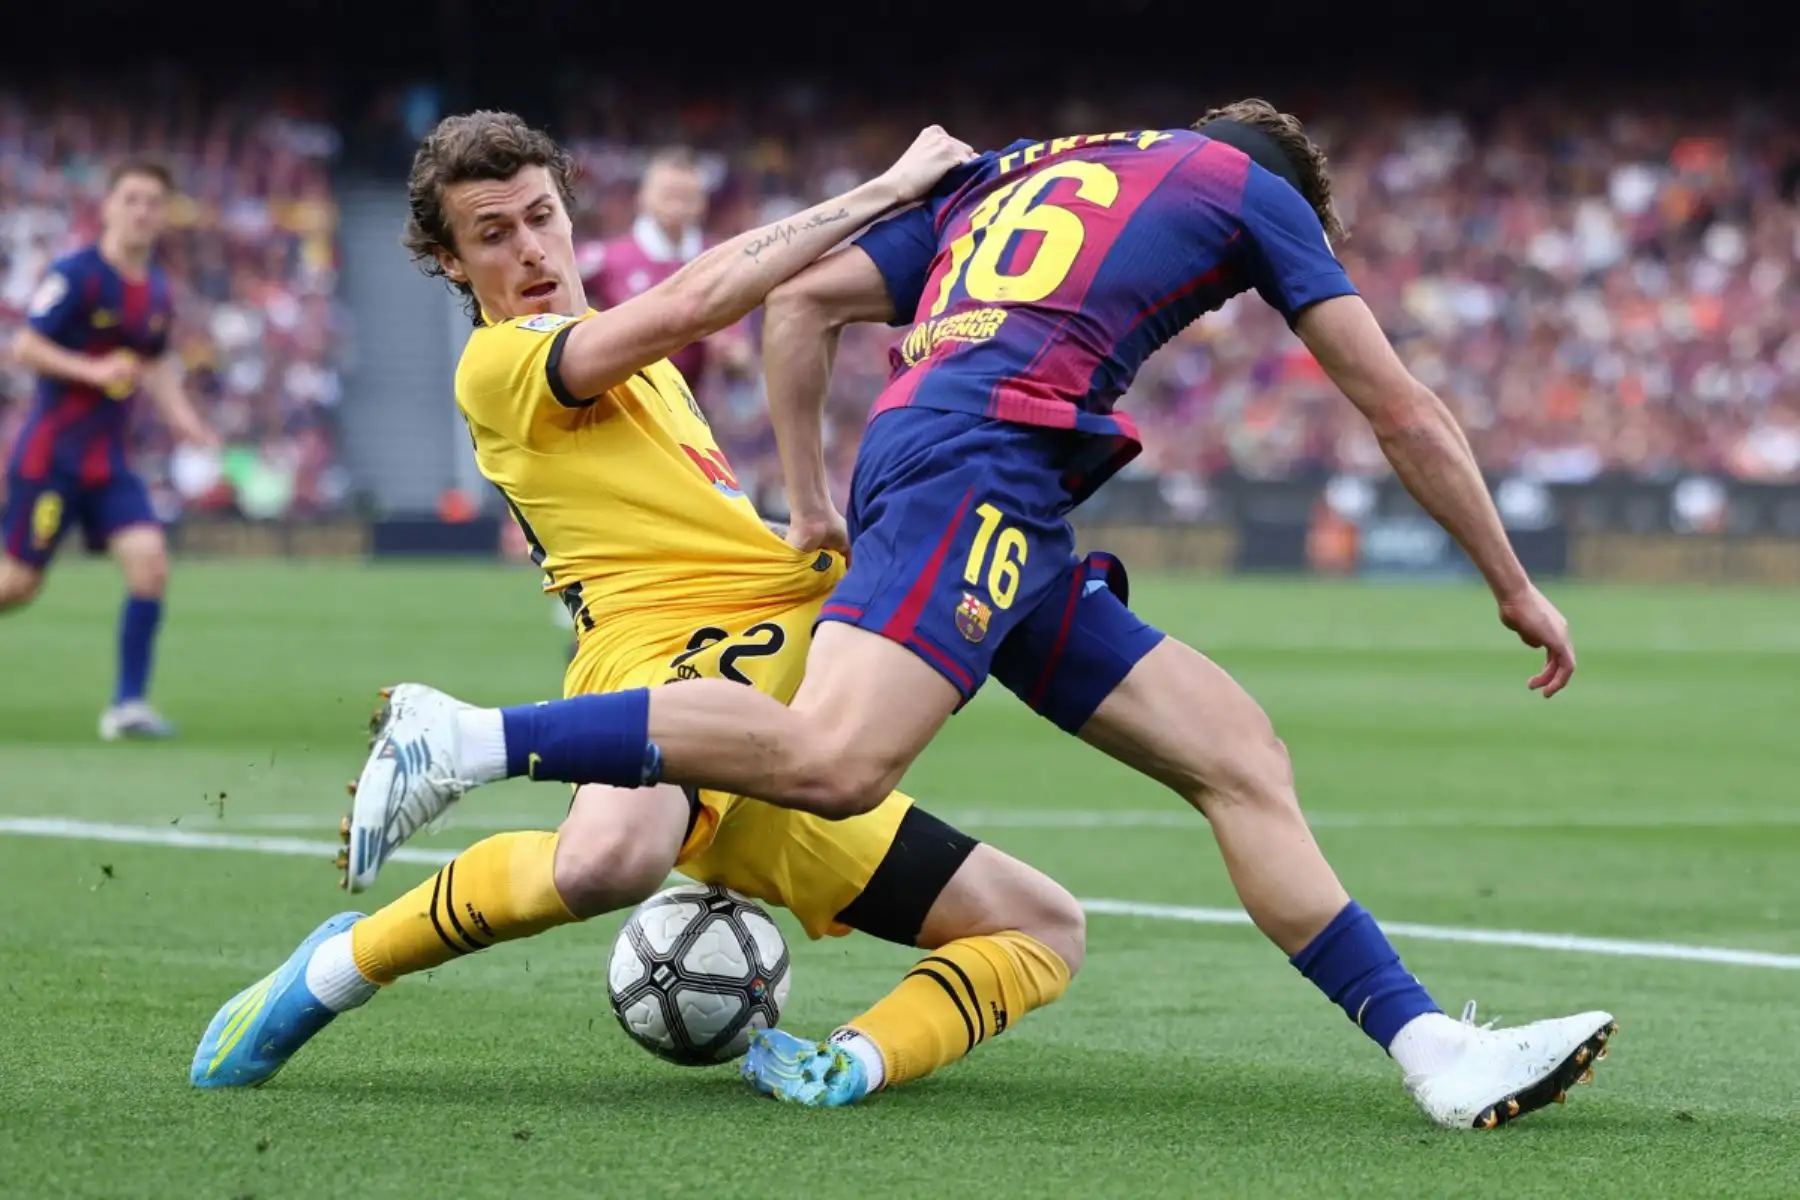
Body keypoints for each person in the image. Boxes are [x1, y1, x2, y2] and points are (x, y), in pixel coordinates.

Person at [354, 102, 1618, 1129]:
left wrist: (813, 499)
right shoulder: (1251, 188)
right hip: (983, 465)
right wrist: (1512, 584)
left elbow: (801, 306)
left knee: (1239, 754)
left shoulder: (1019, 168)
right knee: (839, 762)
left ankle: (1432, 1050)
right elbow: (1399, 408)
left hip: (979, 477)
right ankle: (467, 740)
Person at [190, 112, 1081, 1108]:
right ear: (450, 263)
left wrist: (801, 519)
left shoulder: (632, 365)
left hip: (773, 690)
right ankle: (339, 966)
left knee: (1042, 925)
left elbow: (684, 501)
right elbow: (692, 305)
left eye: (541, 217)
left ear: (569, 216)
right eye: (493, 234)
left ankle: (848, 1061)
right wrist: (887, 189)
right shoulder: (502, 364)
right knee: (612, 859)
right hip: (664, 656)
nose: (530, 249)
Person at [1, 160, 217, 740]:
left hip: (108, 464)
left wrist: (186, 421)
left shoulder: (157, 291)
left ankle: (128, 706)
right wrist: (92, 370)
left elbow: (154, 363)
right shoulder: (76, 275)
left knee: (150, 564)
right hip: (51, 459)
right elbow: (26, 345)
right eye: (131, 199)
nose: (142, 211)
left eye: (153, 201)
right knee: (17, 585)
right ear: (109, 207)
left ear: (165, 214)